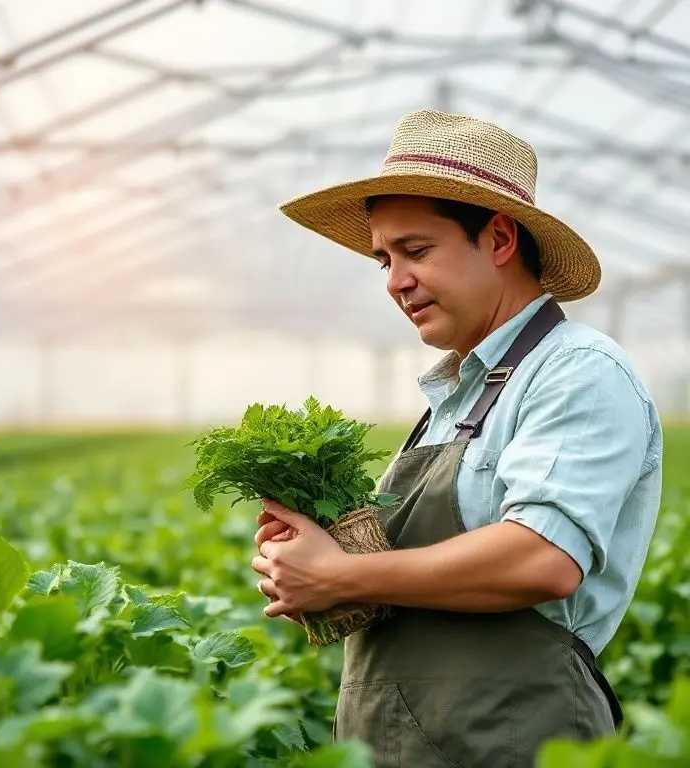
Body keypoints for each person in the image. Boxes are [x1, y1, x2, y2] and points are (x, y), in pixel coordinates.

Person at [251, 109, 663, 767]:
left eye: (416, 251)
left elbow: (541, 560)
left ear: (499, 238)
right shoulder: (453, 397)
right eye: (383, 259)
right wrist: (314, 565)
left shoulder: (577, 371)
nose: (395, 281)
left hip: (513, 738)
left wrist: (346, 574)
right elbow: (405, 578)